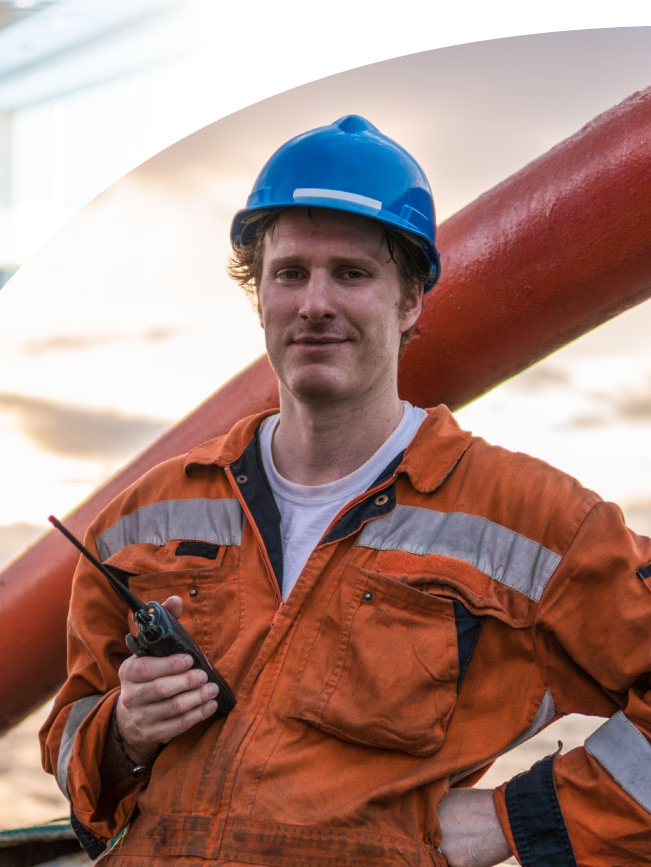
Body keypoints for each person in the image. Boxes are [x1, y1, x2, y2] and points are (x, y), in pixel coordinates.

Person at [40, 115, 651, 866]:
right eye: (290, 272)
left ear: (411, 300)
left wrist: (513, 820)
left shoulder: (530, 520)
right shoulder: (143, 520)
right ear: (258, 294)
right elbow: (72, 738)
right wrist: (125, 730)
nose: (315, 302)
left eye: (352, 274)